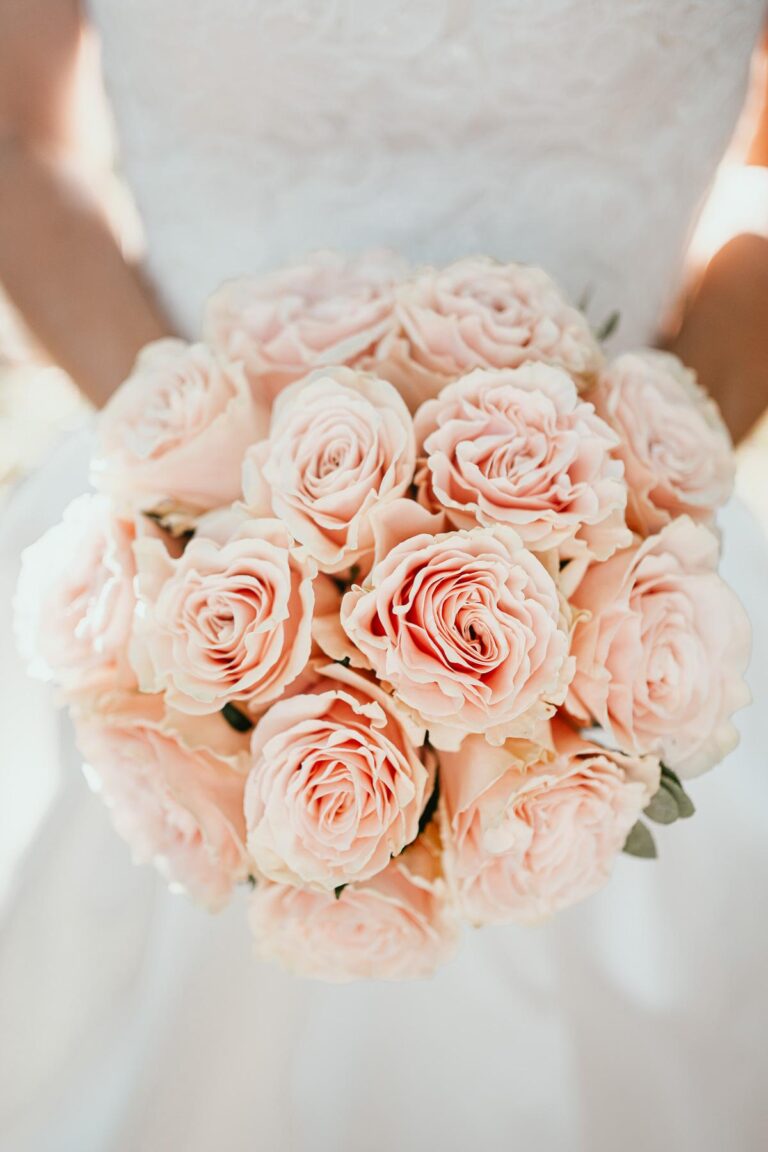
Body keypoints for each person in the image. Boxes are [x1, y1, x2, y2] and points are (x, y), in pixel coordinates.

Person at [1, 3, 767, 1149]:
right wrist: (210, 493)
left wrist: (620, 498)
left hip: (638, 595)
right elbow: (16, 140)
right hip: (167, 570)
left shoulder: (628, 574)